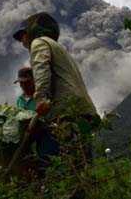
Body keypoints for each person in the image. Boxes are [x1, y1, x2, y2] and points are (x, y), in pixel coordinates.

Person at [12, 12, 97, 162]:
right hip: (82, 111)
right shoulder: (58, 48)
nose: (22, 41)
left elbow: (41, 68)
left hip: (66, 112)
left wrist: (40, 99)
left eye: (22, 35)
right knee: (82, 162)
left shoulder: (39, 43)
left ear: (32, 31)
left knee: (48, 159)